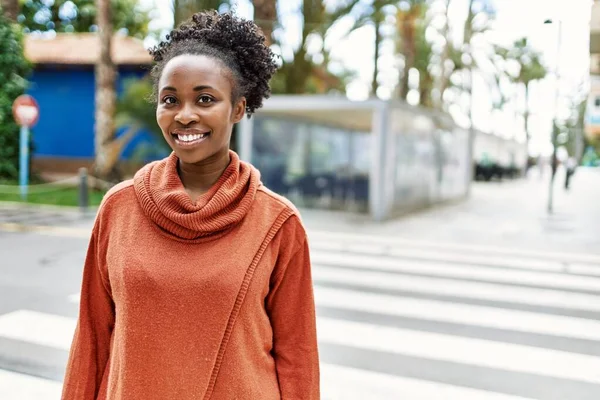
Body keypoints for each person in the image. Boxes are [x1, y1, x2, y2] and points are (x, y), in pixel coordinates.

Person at [62, 11, 320, 400]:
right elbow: (92, 337)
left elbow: (297, 357)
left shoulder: (277, 222)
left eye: (205, 99)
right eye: (170, 100)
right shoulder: (120, 208)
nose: (185, 115)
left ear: (237, 108)